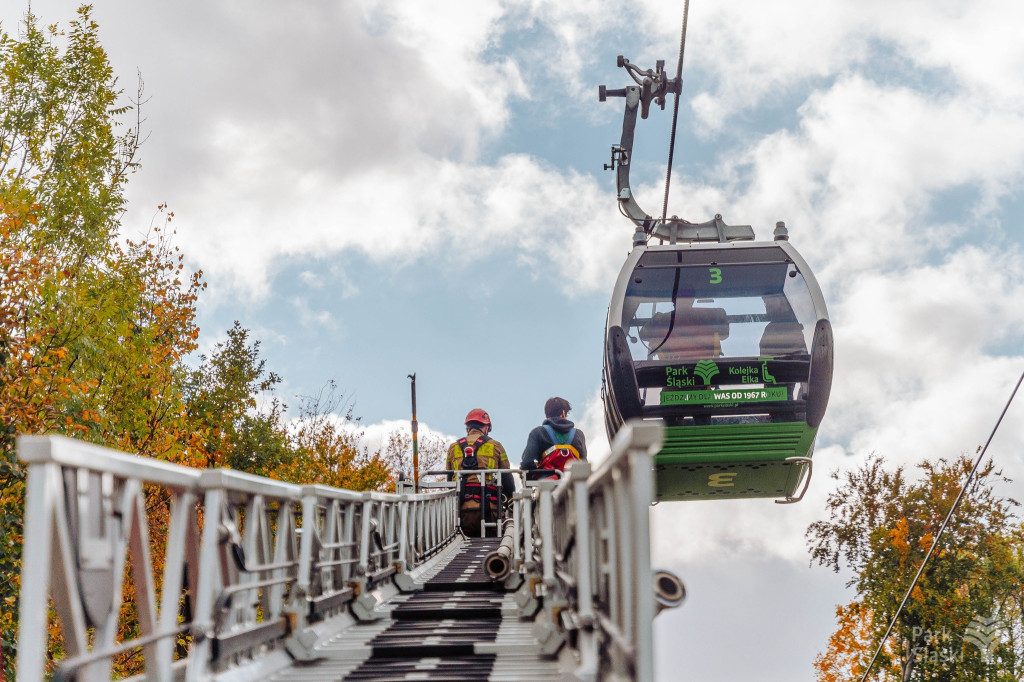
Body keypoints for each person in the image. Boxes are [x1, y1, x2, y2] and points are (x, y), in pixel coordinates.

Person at [446, 408, 512, 536]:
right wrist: (511, 504)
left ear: (467, 429)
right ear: (486, 428)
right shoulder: (496, 446)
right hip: (491, 514)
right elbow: (507, 479)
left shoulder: (453, 448)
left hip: (460, 514)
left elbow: (449, 481)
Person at [520, 397, 587, 479]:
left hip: (547, 485)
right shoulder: (578, 434)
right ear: (563, 413)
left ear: (546, 415)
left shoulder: (537, 433)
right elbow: (584, 464)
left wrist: (531, 480)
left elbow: (526, 464)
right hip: (574, 484)